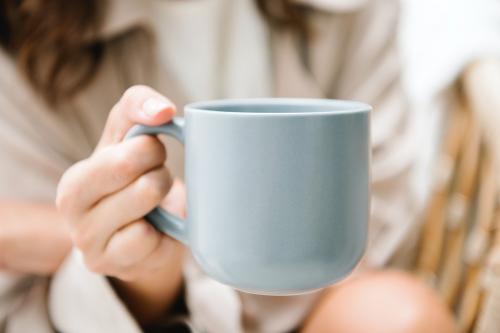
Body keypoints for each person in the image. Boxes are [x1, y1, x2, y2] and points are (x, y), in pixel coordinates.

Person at [0, 0, 456, 332]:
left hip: (325, 308)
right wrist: (151, 277)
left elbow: (380, 215)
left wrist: (39, 233)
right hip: (131, 320)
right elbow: (22, 306)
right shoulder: (20, 44)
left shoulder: (350, 12)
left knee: (398, 314)